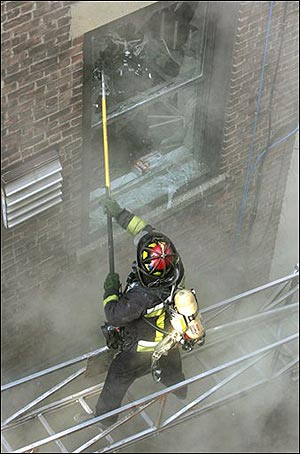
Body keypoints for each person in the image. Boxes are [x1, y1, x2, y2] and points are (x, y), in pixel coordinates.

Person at [94, 197, 188, 427]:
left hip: (143, 348)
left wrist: (111, 291)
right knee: (171, 362)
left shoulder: (141, 297)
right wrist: (118, 213)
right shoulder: (167, 257)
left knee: (118, 373)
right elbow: (142, 230)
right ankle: (180, 391)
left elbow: (115, 315)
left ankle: (103, 420)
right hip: (171, 335)